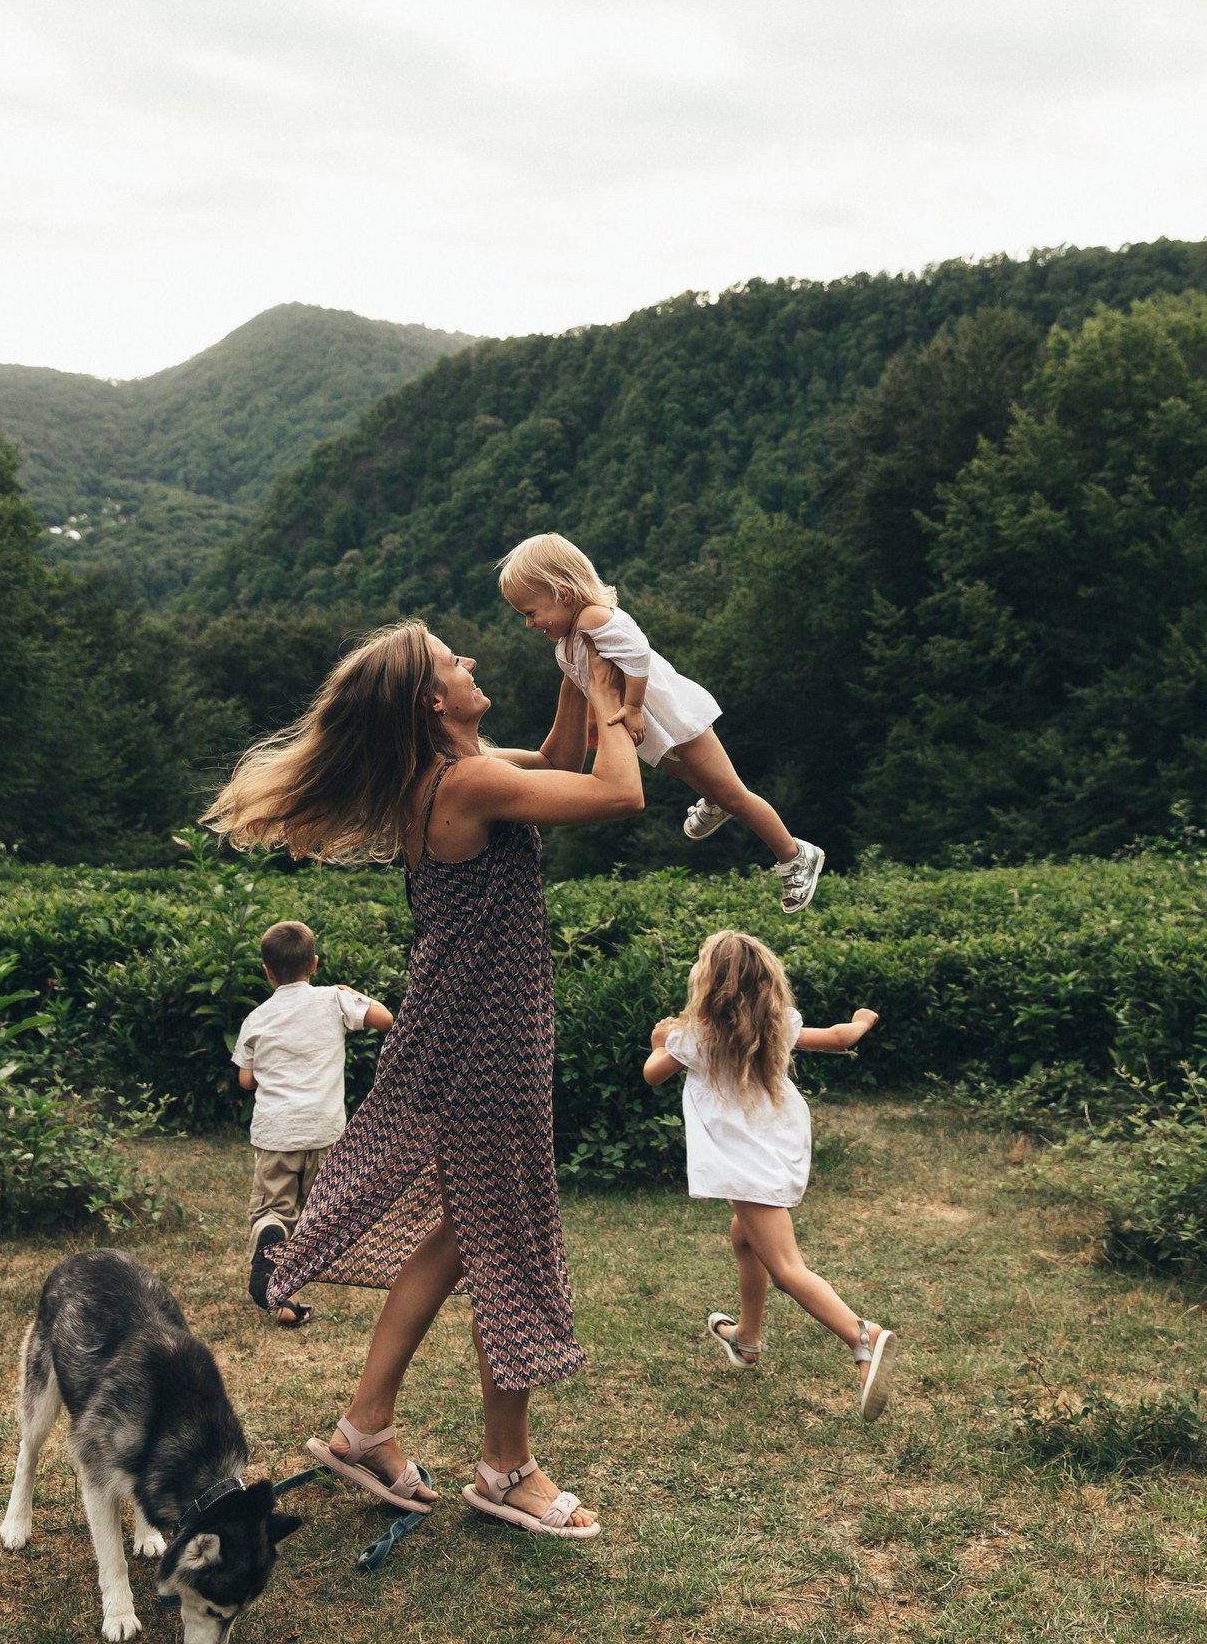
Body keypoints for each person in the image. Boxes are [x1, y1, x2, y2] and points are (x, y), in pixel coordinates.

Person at [202, 619, 643, 1536]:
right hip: (484, 1045)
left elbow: (558, 759)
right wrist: (613, 694)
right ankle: (506, 1468)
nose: (472, 663)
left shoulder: (449, 777)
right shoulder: (467, 782)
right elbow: (613, 793)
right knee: (509, 1242)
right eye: (454, 661)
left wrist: (572, 667)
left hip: (472, 1033)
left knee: (460, 1236)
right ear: (432, 702)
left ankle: (365, 1429)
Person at [643, 929, 897, 1419]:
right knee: (744, 1237)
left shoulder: (692, 1036)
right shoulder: (780, 1025)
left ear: (707, 983)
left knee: (786, 1268)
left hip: (743, 1165)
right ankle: (747, 1339)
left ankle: (862, 1335)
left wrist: (657, 1042)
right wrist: (862, 1020)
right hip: (777, 1150)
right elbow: (841, 1038)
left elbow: (653, 1073)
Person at [497, 531, 823, 913]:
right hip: (654, 727)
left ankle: (794, 853)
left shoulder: (594, 618)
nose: (529, 624)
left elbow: (636, 655)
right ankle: (714, 801)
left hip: (674, 715)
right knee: (681, 772)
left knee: (735, 792)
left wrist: (632, 708)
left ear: (563, 593)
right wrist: (592, 726)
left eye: (531, 613)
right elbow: (591, 684)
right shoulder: (566, 644)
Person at [233, 918, 394, 1329]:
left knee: (273, 1211)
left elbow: (246, 1080)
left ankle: (277, 1273)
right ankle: (289, 1297)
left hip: (276, 1133)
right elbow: (386, 1019)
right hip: (324, 1130)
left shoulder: (256, 1019)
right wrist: (350, 994)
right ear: (315, 964)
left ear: (267, 971)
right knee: (310, 1215)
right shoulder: (332, 1000)